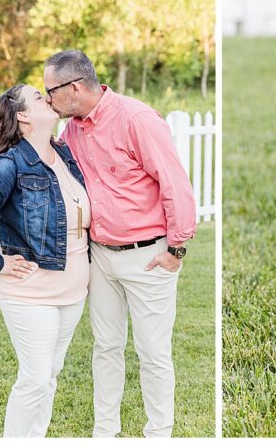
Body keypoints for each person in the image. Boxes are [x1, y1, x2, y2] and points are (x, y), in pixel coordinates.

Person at [43, 49, 196, 438]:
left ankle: (158, 433)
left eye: (51, 92)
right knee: (106, 348)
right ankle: (104, 431)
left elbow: (175, 184)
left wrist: (175, 249)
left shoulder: (136, 118)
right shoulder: (72, 130)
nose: (48, 99)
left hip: (148, 256)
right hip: (101, 258)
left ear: (74, 87)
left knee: (153, 353)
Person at [0, 84, 91, 437]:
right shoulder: (12, 163)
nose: (47, 97)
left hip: (73, 290)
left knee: (50, 375)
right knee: (34, 378)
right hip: (28, 290)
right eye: (37, 96)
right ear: (22, 116)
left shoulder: (63, 153)